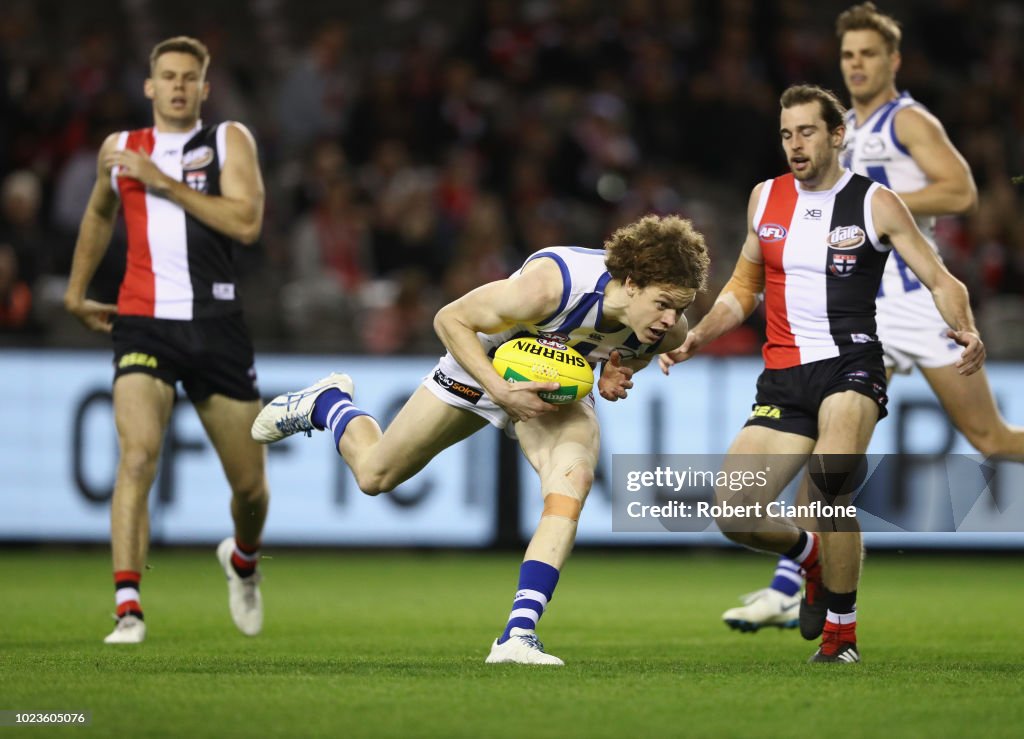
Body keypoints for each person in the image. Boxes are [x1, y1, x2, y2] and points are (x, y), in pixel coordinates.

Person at [252, 215, 710, 665]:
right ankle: (328, 403)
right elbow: (450, 319)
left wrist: (618, 370)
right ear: (630, 283)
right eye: (664, 303)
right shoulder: (553, 286)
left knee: (572, 479)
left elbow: (637, 353)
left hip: (550, 391)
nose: (671, 318)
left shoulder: (668, 329)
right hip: (482, 367)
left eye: (682, 306)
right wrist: (498, 388)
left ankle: (518, 635)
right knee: (374, 475)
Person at [720, 2, 1024, 634]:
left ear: (893, 61)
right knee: (826, 451)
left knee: (990, 439)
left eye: (868, 54)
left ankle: (803, 574)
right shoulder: (836, 125)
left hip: (914, 301)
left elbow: (962, 192)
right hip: (858, 308)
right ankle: (798, 578)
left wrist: (861, 205)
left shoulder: (905, 120)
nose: (856, 65)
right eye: (848, 55)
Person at [659, 84, 984, 663]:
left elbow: (942, 281)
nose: (794, 145)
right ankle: (810, 557)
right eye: (786, 134)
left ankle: (842, 635)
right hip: (783, 377)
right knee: (734, 514)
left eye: (806, 132)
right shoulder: (765, 199)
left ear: (837, 135)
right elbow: (743, 287)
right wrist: (699, 337)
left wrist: (966, 328)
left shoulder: (875, 203)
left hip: (851, 365)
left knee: (830, 485)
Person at [63, 36, 270, 644]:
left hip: (216, 324)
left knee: (250, 488)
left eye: (189, 78)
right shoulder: (120, 149)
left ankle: (244, 560)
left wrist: (164, 183)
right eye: (168, 77)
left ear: (204, 89)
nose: (178, 86)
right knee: (136, 457)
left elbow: (247, 222)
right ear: (150, 87)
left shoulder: (228, 139)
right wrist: (76, 293)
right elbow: (100, 215)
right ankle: (128, 604)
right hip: (143, 321)